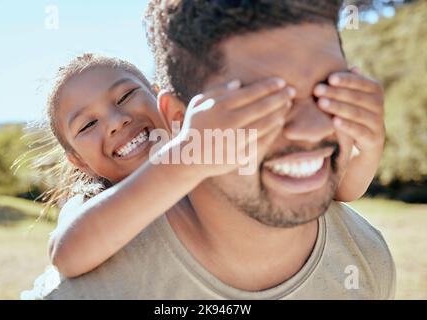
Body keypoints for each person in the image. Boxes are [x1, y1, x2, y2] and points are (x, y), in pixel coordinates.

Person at [23, 0, 395, 300]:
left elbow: (344, 190)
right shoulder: (94, 201)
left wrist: (370, 138)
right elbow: (68, 255)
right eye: (87, 125)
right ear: (77, 160)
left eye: (125, 95)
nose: (116, 121)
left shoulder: (365, 259)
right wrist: (188, 159)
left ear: (160, 103)